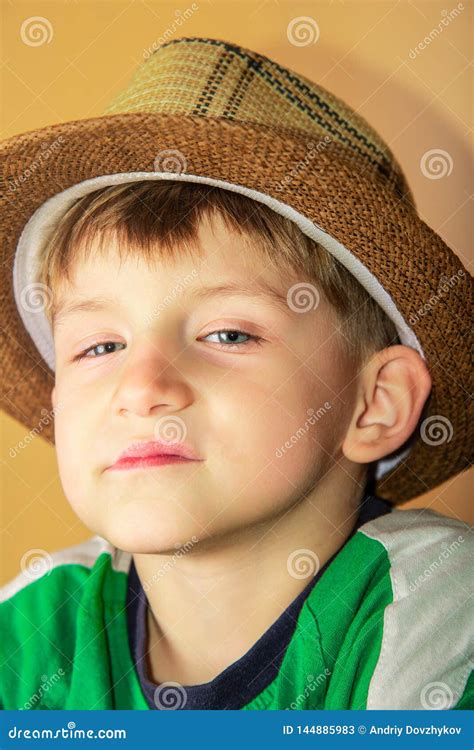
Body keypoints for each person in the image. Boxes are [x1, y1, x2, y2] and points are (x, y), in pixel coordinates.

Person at [0, 36, 472, 711]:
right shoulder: (34, 630)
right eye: (100, 347)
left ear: (375, 403)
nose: (141, 389)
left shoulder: (432, 606)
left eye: (227, 333)